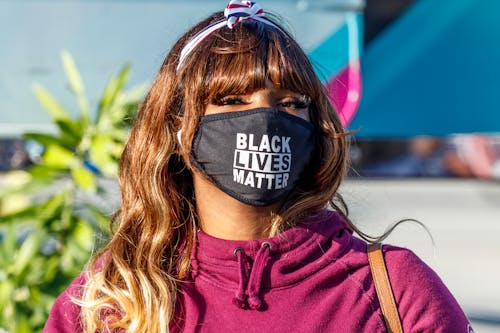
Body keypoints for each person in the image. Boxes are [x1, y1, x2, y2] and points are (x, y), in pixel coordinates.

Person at [44, 1, 473, 332]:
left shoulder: (394, 291)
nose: (265, 121)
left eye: (290, 104)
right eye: (232, 101)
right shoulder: (115, 299)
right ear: (178, 127)